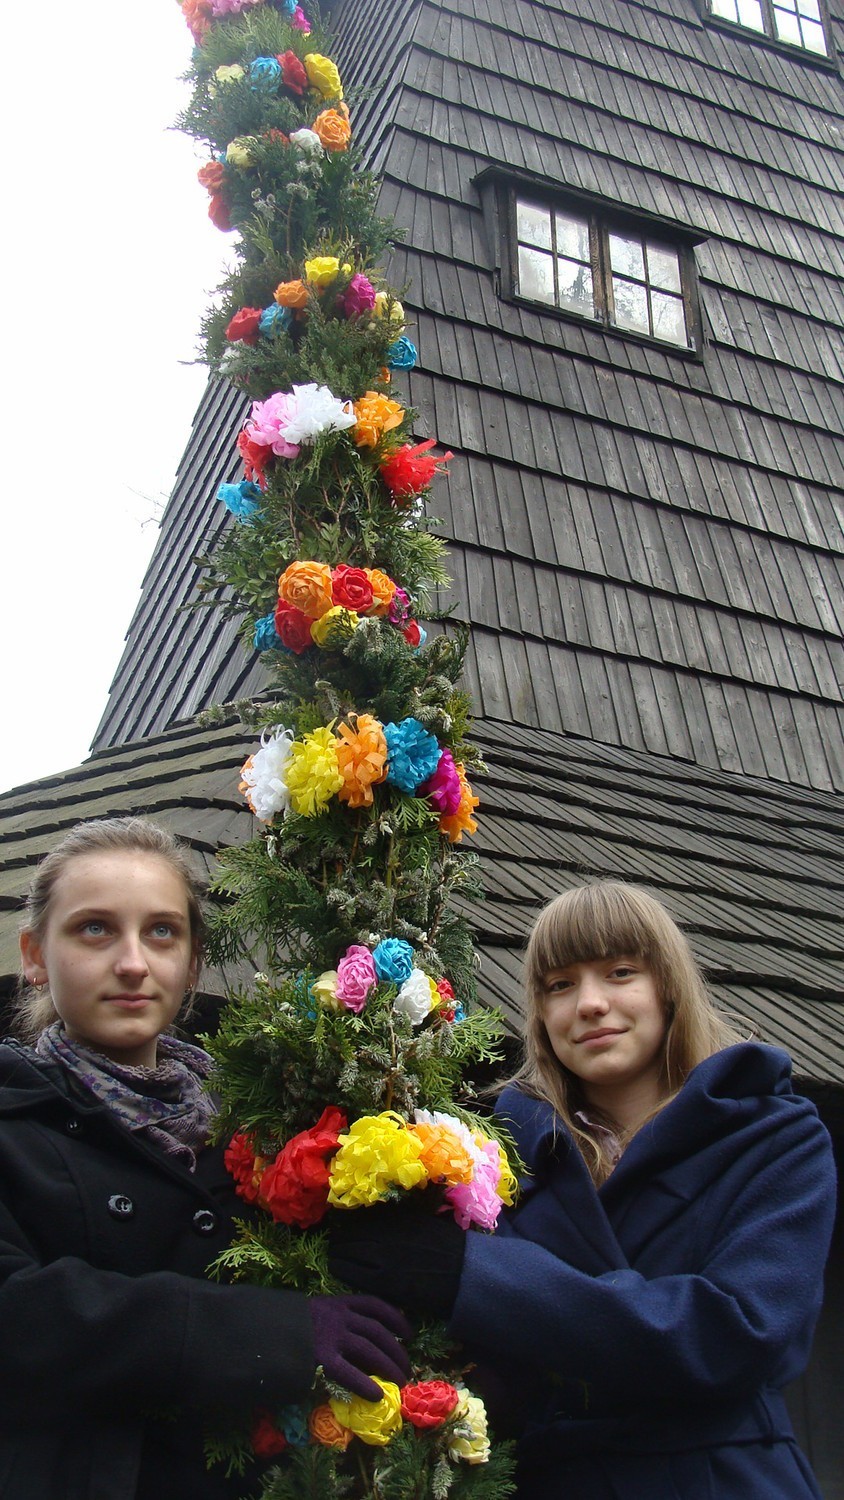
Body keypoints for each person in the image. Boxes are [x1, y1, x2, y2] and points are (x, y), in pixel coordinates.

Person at [329, 880, 837, 1499]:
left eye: (620, 972)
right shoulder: (498, 1158)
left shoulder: (772, 1138)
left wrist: (477, 1278)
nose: (590, 1004)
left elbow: (734, 1334)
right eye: (559, 985)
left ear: (667, 987)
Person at [0, 816, 410, 1500]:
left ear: (191, 964)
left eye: (161, 931)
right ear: (36, 955)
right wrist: (270, 1333)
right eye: (94, 929)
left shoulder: (255, 1124)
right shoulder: (13, 1121)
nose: (132, 962)